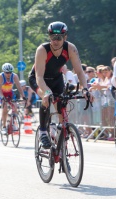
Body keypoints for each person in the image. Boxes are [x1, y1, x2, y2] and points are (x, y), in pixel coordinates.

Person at [28, 21, 93, 149]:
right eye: (52, 38)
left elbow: (79, 71)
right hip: (39, 79)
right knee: (47, 99)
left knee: (61, 104)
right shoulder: (42, 50)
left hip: (56, 79)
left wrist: (85, 89)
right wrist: (46, 92)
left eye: (58, 38)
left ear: (65, 37)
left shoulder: (70, 48)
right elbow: (39, 76)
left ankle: (61, 140)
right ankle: (42, 131)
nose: (55, 41)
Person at [0, 63, 26, 134]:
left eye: (10, 72)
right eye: (7, 72)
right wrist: (2, 97)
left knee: (15, 107)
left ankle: (13, 123)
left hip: (10, 93)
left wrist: (23, 96)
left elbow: (19, 87)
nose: (9, 74)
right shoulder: (0, 77)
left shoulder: (14, 76)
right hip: (2, 94)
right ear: (4, 72)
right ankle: (3, 126)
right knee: (5, 108)